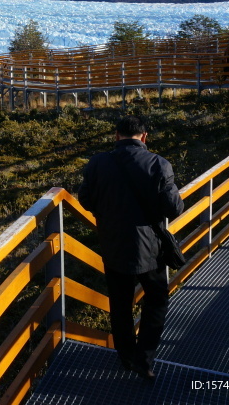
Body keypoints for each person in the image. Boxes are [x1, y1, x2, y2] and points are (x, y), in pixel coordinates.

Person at [77, 115, 183, 380]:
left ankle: (125, 356)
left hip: (113, 245)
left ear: (116, 136)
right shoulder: (159, 164)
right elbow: (174, 208)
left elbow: (85, 200)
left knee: (120, 304)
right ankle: (144, 359)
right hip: (150, 248)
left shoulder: (97, 163)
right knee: (156, 300)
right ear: (144, 137)